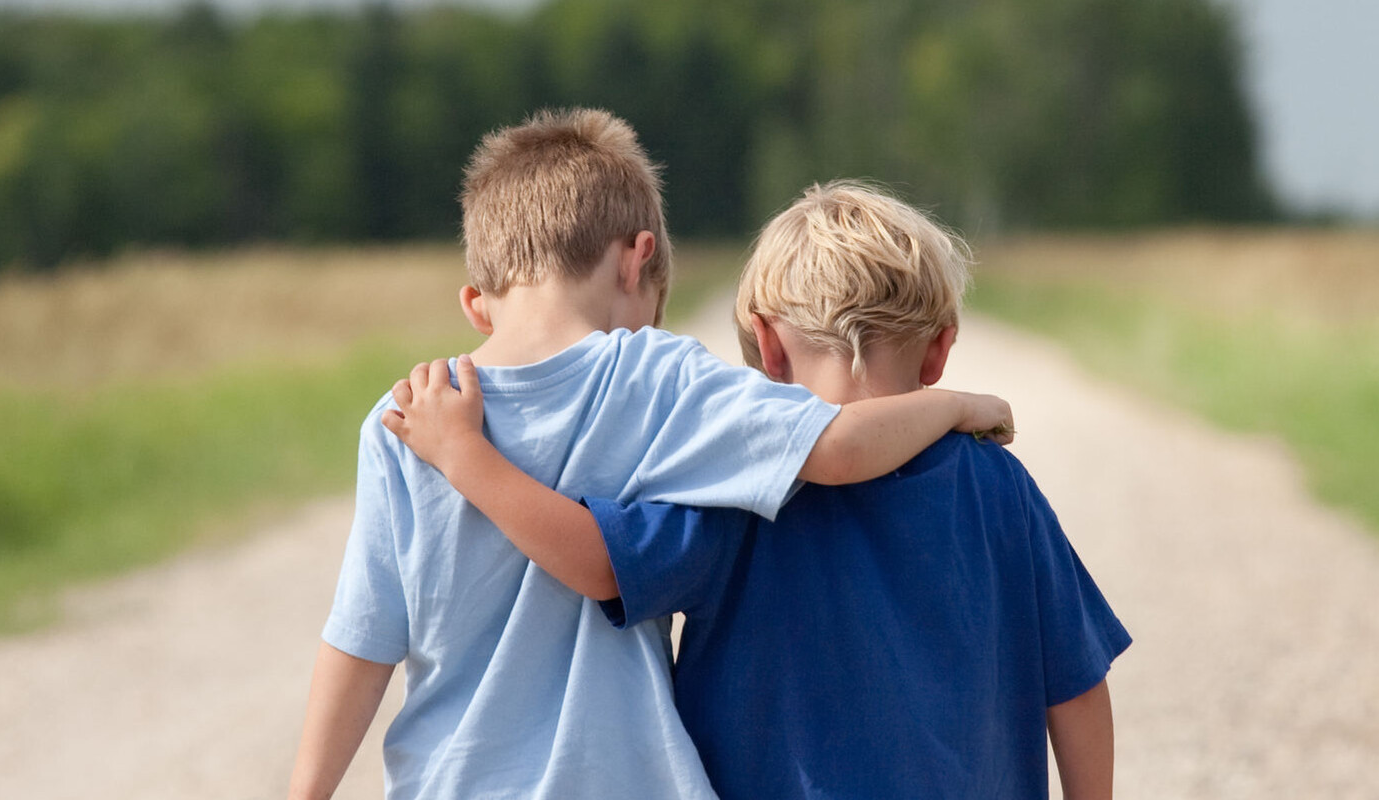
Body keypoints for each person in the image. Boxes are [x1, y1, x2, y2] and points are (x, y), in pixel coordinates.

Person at [285, 112, 1015, 800]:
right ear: (637, 260)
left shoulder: (405, 417)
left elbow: (362, 639)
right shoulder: (655, 376)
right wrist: (956, 405)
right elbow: (837, 447)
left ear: (477, 303)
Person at [389, 181, 1130, 799]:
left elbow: (597, 561)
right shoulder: (997, 485)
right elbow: (1073, 683)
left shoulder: (739, 487)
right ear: (939, 349)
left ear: (767, 347)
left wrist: (464, 456)